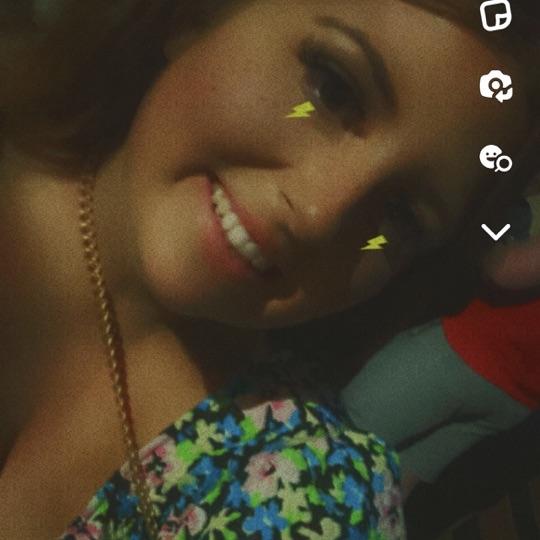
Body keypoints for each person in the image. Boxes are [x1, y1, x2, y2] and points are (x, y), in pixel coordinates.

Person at [0, 0, 538, 538]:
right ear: (195, 15)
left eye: (400, 215)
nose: (317, 214)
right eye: (332, 90)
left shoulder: (291, 486)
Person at [341, 195, 540, 499]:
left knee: (340, 429)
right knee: (390, 480)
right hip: (517, 399)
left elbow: (504, 269)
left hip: (471, 350)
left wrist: (487, 242)